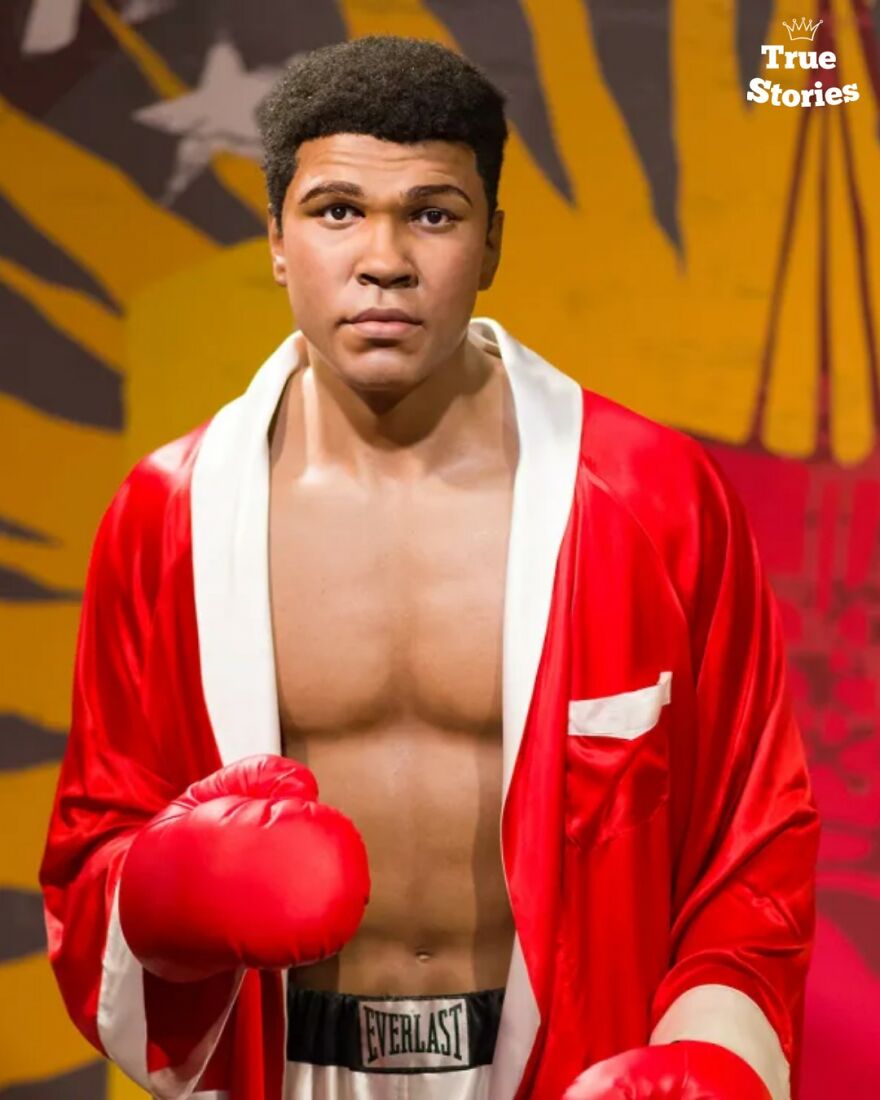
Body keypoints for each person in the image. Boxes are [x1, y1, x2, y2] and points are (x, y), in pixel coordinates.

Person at [40, 34, 818, 1100]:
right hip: (288, 1068)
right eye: (336, 210)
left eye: (433, 214)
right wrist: (166, 894)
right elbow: (92, 847)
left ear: (490, 243)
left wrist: (714, 1052)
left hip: (573, 1066)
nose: (384, 257)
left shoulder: (652, 496)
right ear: (275, 238)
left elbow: (753, 843)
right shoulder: (166, 513)